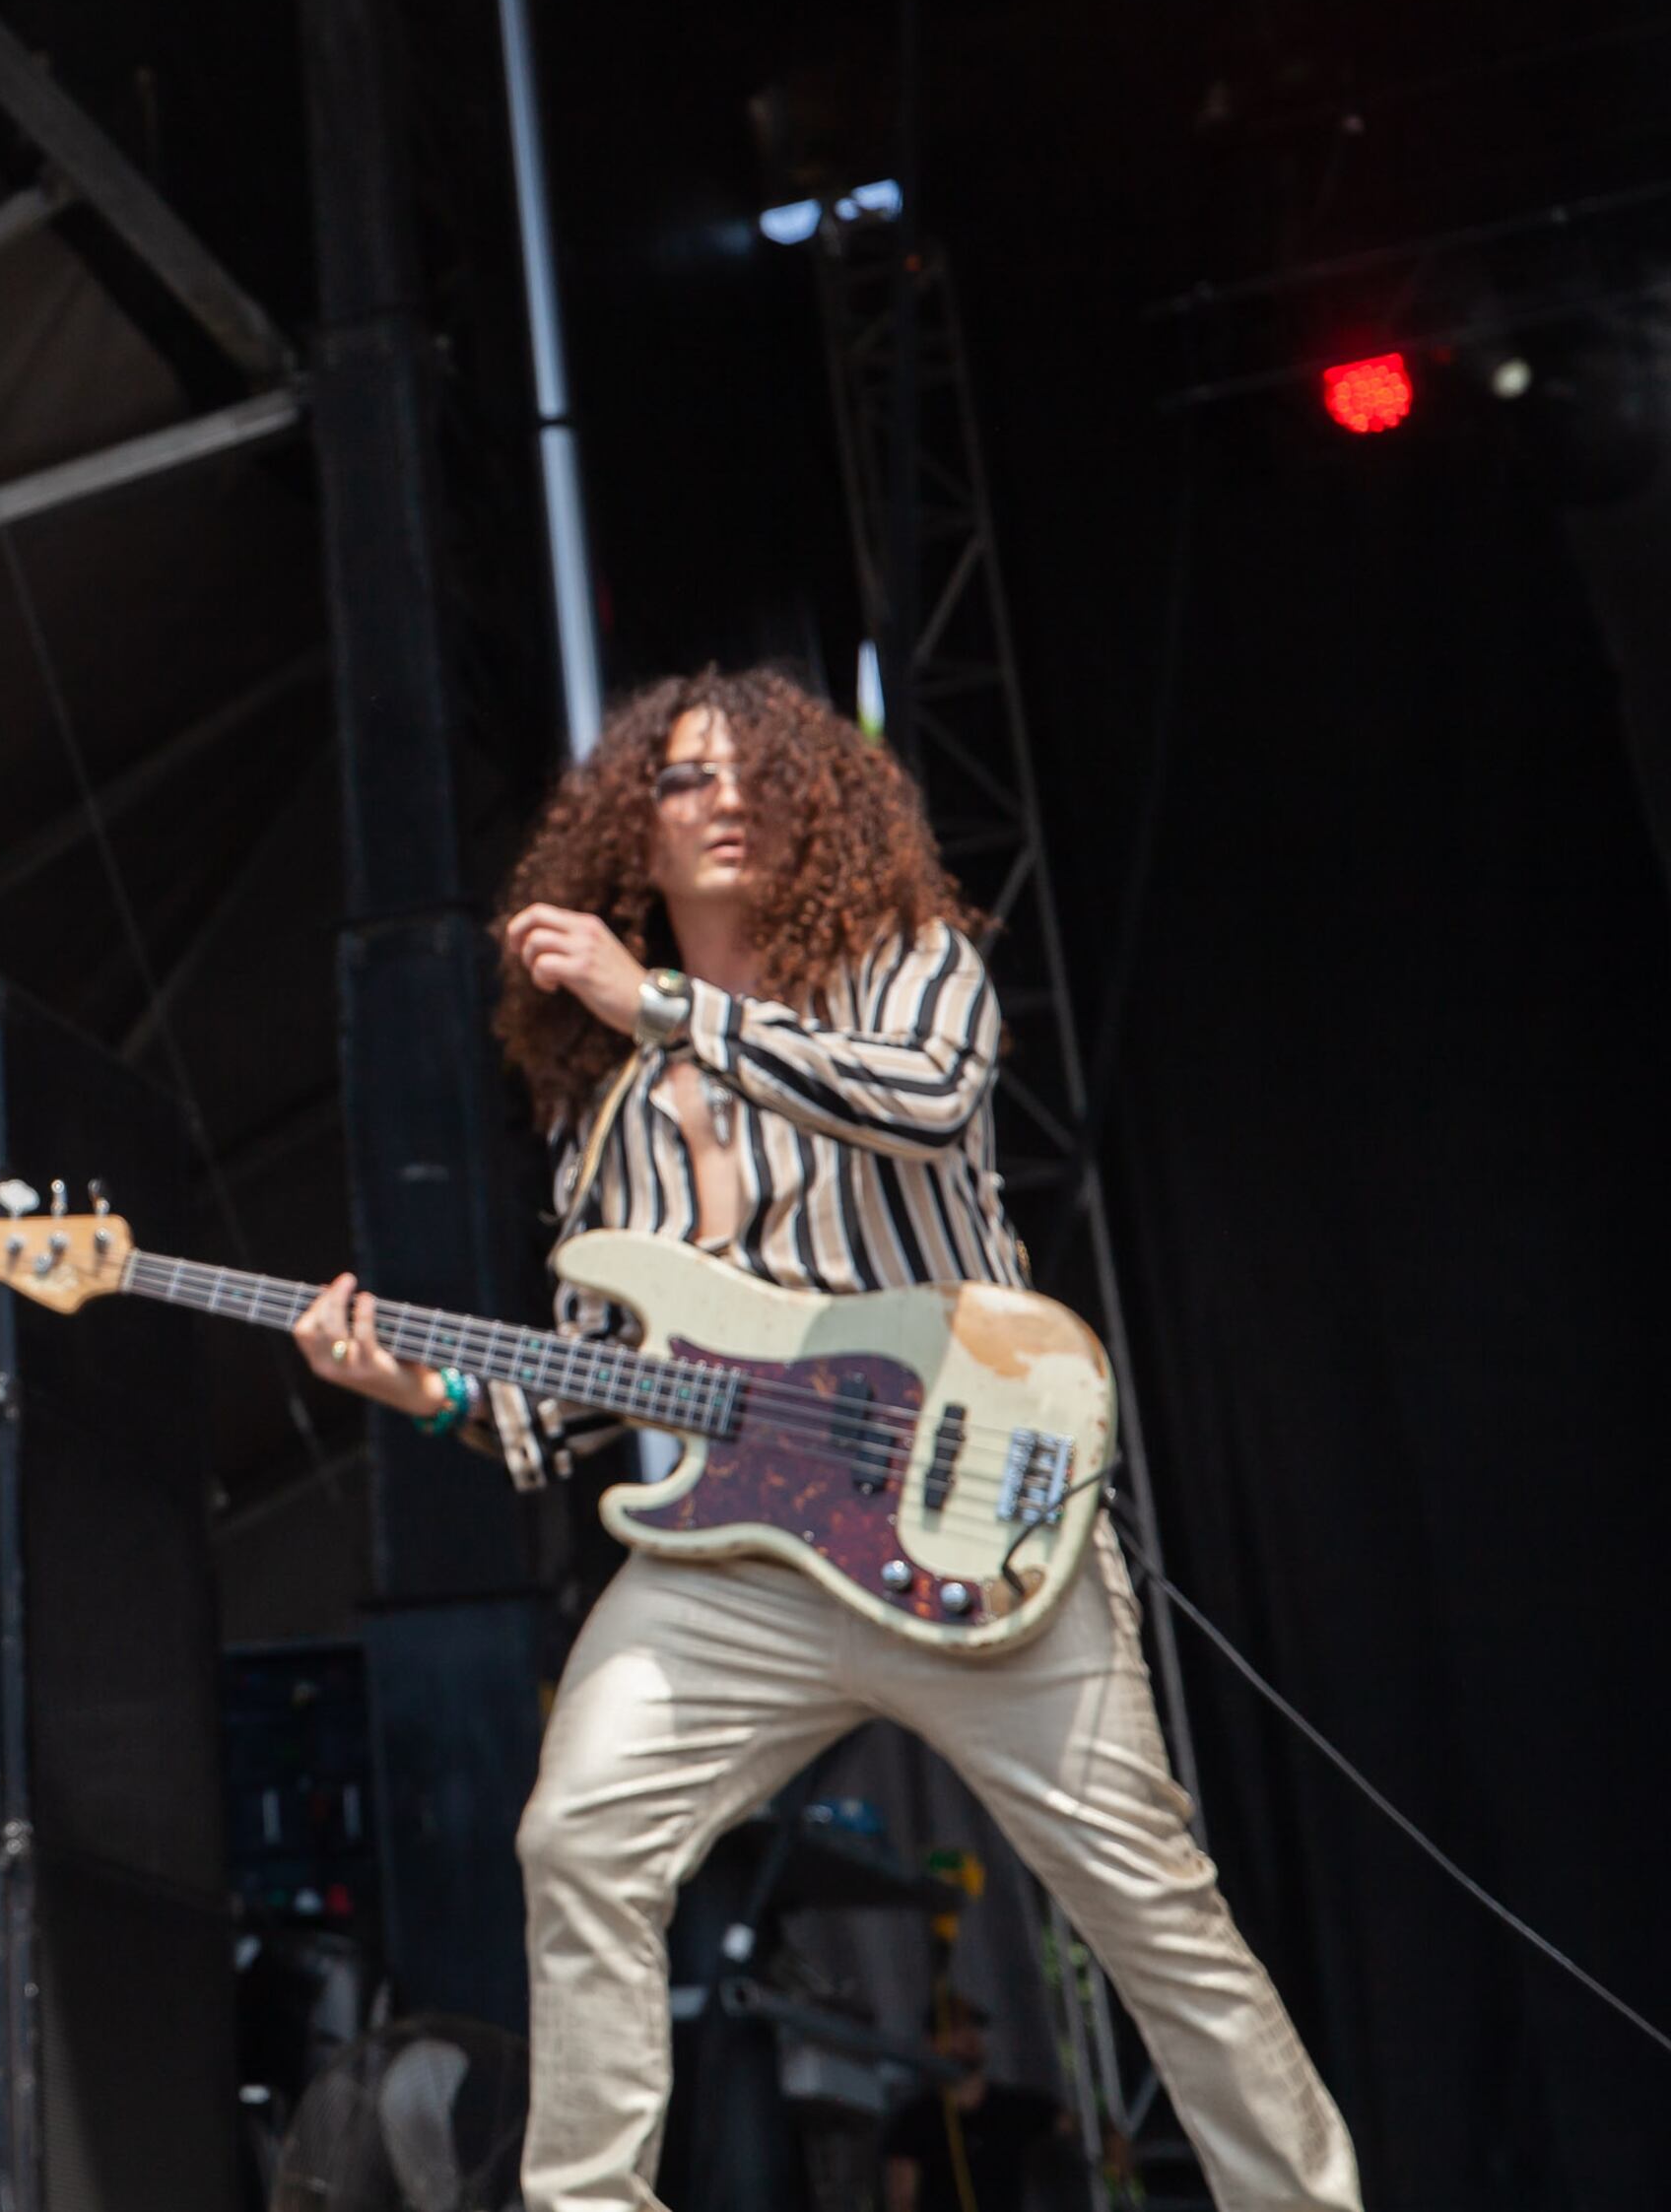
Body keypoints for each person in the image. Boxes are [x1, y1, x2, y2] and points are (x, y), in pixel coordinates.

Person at [289, 667, 1360, 2212]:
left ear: (813, 812)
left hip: (978, 1526)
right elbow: (600, 1381)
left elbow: (923, 1107)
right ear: (627, 844)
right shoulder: (613, 1113)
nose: (725, 798)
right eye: (683, 781)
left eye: (758, 776)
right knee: (580, 1837)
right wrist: (429, 1390)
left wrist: (657, 1001)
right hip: (750, 1553)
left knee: (1152, 1908)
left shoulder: (909, 965)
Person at [880, 1997, 1073, 2212]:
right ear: (932, 2042)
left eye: (974, 2026)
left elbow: (1071, 2124)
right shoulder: (914, 2122)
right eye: (956, 2029)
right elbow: (902, 2199)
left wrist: (1108, 2135)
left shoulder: (1010, 2107)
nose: (969, 2035)